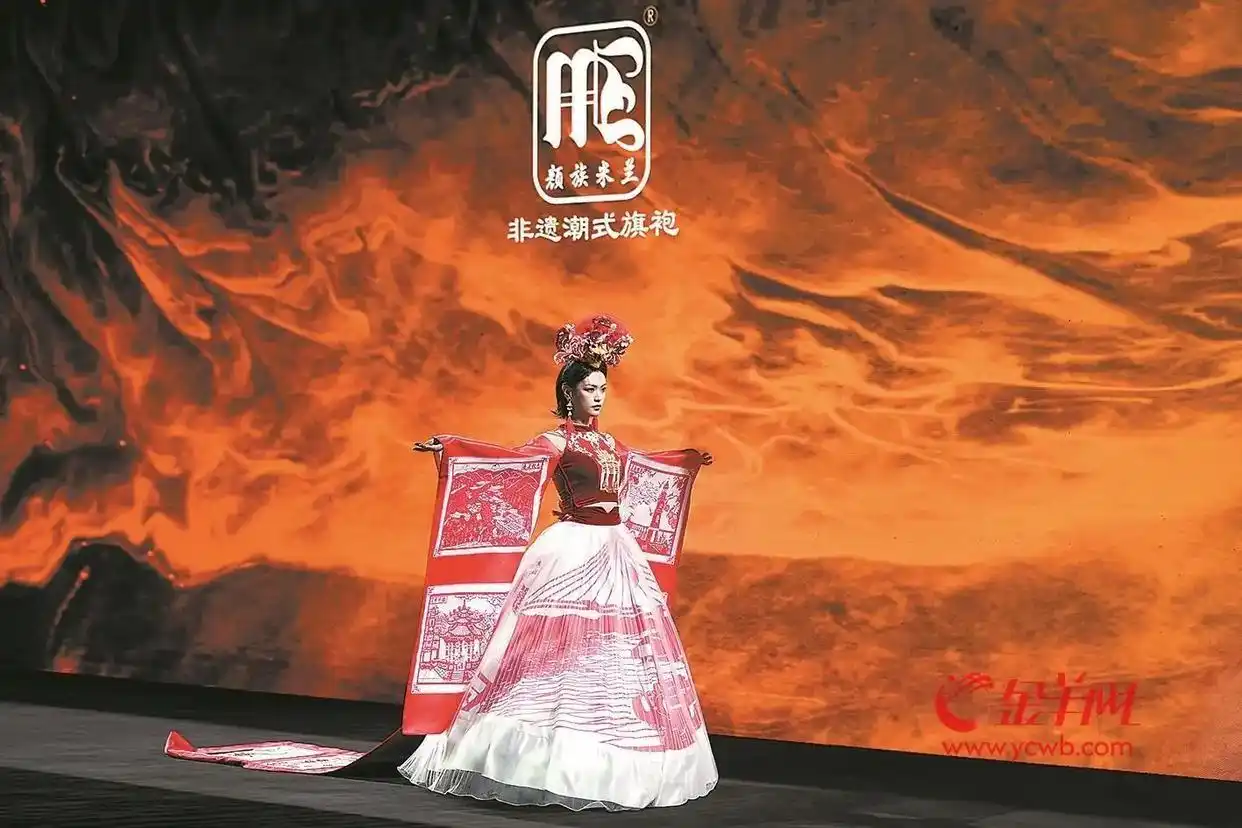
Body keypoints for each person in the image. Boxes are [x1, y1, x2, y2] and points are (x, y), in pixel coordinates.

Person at [401, 314, 718, 810]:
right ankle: (532, 749)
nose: (598, 397)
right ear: (569, 393)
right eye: (590, 389)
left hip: (617, 547)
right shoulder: (556, 441)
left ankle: (608, 750)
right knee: (555, 647)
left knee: (615, 648)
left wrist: (687, 460)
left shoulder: (609, 443)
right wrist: (452, 447)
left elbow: (647, 465)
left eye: (603, 389)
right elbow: (510, 461)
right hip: (573, 548)